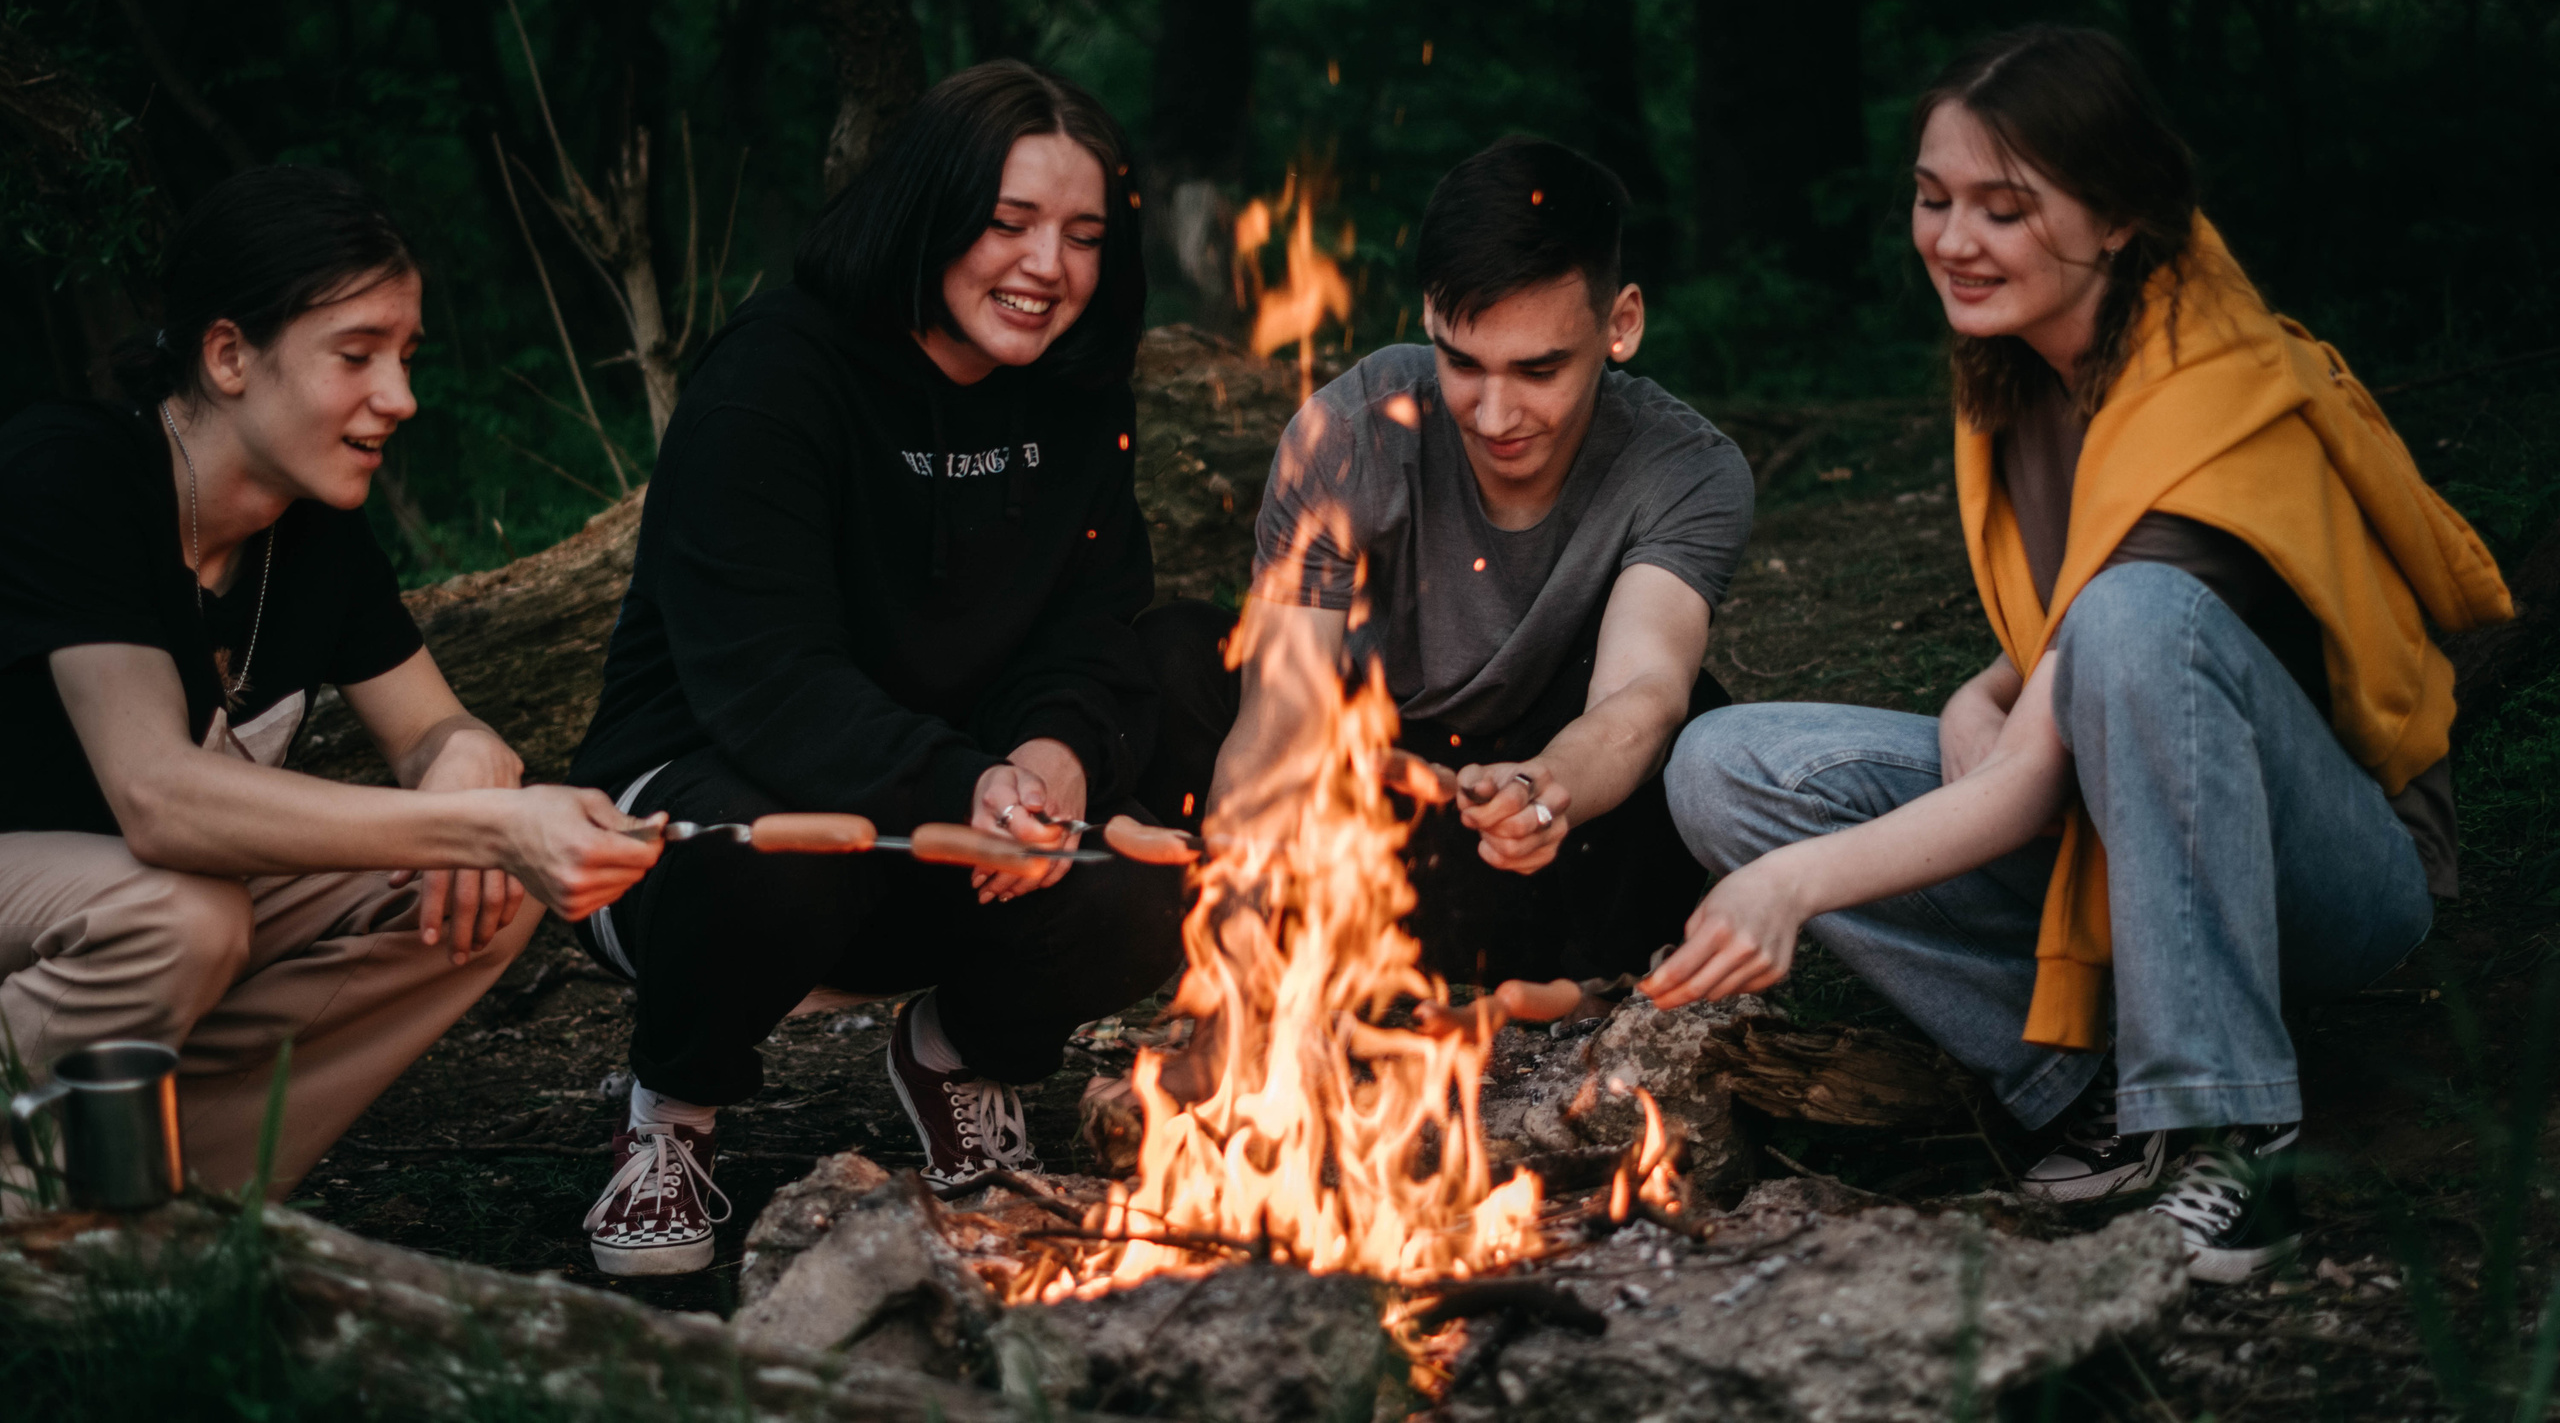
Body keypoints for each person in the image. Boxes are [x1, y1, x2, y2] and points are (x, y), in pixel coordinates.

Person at [1654, 26, 2513, 1282]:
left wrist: (1789, 887)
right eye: (1933, 199)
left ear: (2115, 219)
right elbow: (2057, 644)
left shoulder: (2206, 399)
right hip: (2128, 805)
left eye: (2003, 209)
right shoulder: (2023, 369)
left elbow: (2088, 688)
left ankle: (2232, 1132)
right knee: (1724, 765)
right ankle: (2085, 1083)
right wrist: (1977, 691)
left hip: (2331, 872)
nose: (1954, 240)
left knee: (2135, 619)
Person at [567, 62, 1187, 1272]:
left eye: (1081, 236)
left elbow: (1096, 624)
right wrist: (965, 783)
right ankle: (670, 1112)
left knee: (1160, 813)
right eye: (1008, 222)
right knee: (783, 848)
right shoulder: (777, 377)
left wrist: (1052, 756)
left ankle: (959, 1054)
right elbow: (767, 680)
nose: (1047, 267)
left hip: (949, 832)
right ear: (928, 208)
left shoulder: (1075, 394)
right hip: (692, 838)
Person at [0, 166, 660, 1206]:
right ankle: (23, 1186)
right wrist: (484, 822)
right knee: (182, 914)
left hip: (126, 910)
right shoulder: (72, 474)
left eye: (406, 357)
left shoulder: (313, 533)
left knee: (485, 896)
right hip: (74, 893)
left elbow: (431, 728)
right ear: (228, 355)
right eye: (356, 355)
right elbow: (158, 798)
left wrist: (466, 759)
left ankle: (172, 1199)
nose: (400, 397)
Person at [1139, 138, 1754, 991]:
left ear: (1621, 324)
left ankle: (1577, 991)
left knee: (1696, 726)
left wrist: (1544, 789)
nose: (1494, 414)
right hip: (1368, 795)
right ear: (1429, 314)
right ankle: (1273, 940)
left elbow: (1640, 695)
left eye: (1539, 369)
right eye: (1463, 362)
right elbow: (1279, 715)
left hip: (1541, 812)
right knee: (1174, 654)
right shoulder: (1350, 432)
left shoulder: (1686, 469)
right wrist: (1238, 895)